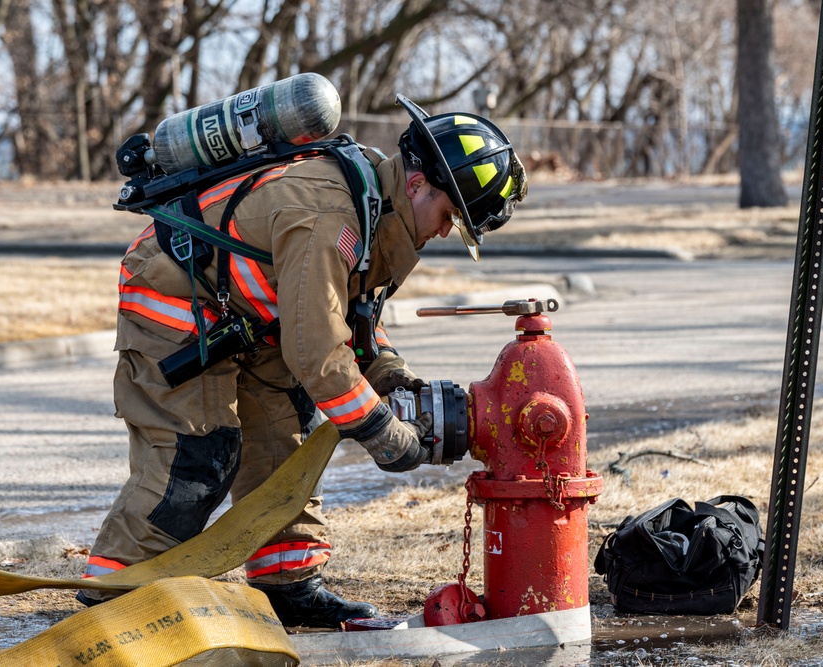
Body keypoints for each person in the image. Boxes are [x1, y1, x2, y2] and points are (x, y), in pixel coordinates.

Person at [77, 93, 527, 627]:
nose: (447, 231)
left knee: (283, 439)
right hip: (177, 306)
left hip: (254, 322)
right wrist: (384, 432)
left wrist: (391, 375)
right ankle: (114, 589)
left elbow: (348, 314)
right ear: (417, 183)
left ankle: (287, 584)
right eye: (451, 215)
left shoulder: (380, 213)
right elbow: (317, 353)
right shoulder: (329, 217)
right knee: (197, 456)